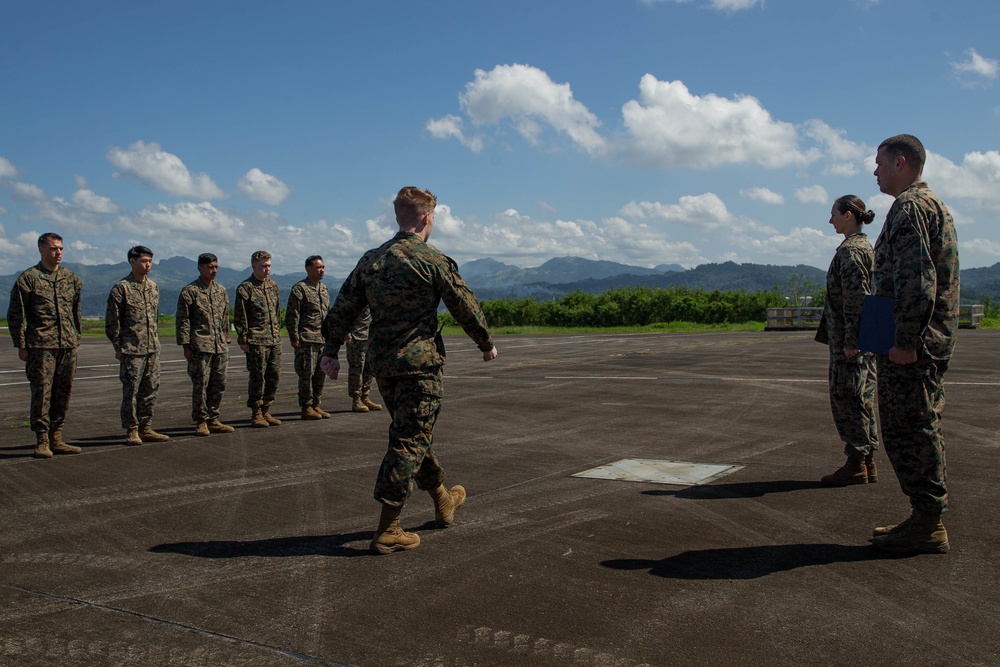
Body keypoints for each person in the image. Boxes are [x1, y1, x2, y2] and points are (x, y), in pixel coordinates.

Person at [321, 186, 498, 555]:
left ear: (398, 215)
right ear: (427, 217)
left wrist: (330, 349)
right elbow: (464, 305)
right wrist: (485, 343)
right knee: (408, 440)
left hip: (384, 366)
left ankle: (443, 499)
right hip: (420, 367)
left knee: (413, 434)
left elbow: (342, 308)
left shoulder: (372, 260)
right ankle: (389, 528)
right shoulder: (431, 259)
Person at [870, 134, 959, 554]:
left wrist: (905, 340)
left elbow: (917, 281)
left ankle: (928, 522)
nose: (876, 172)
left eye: (880, 164)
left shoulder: (910, 207)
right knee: (915, 427)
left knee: (910, 430)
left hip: (913, 344)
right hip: (924, 339)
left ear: (901, 162)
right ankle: (924, 517)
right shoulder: (929, 204)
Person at [816, 196, 880, 486]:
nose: (831, 220)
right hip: (859, 340)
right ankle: (866, 463)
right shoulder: (864, 248)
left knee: (847, 399)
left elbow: (857, 299)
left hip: (850, 343)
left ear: (849, 215)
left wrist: (852, 340)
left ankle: (857, 462)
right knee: (861, 399)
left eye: (834, 214)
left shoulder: (852, 252)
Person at [7, 232, 83, 458]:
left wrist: (76, 339)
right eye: (53, 248)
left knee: (63, 391)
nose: (58, 252)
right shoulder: (28, 279)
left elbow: (76, 312)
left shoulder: (71, 278)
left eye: (60, 248)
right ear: (41, 249)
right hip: (40, 346)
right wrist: (21, 345)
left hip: (67, 345)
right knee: (42, 393)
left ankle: (56, 437)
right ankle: (41, 440)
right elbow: (16, 315)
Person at [105, 245, 170, 446]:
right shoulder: (121, 288)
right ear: (133, 262)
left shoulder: (153, 287)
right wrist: (119, 347)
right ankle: (132, 429)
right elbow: (112, 322)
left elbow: (155, 318)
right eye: (144, 261)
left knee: (151, 390)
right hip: (132, 350)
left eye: (150, 261)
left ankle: (146, 426)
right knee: (131, 391)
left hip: (152, 349)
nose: (148, 264)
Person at [176, 253, 235, 437]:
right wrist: (185, 345)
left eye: (216, 267)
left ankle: (213, 418)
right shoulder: (190, 291)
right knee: (201, 384)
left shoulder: (221, 291)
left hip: (220, 346)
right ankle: (201, 421)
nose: (214, 270)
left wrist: (226, 337)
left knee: (219, 383)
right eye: (210, 267)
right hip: (200, 346)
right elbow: (183, 320)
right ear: (200, 268)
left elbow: (225, 316)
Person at [234, 250, 282, 428]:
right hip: (256, 340)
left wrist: (276, 331)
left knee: (274, 376)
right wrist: (244, 339)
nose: (267, 269)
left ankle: (266, 410)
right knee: (257, 378)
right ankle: (256, 412)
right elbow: (240, 317)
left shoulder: (273, 286)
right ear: (254, 266)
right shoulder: (245, 288)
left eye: (269, 265)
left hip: (273, 339)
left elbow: (276, 312)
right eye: (263, 266)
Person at [285, 255, 332, 420]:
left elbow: (327, 314)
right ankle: (306, 406)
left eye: (323, 267)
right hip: (306, 339)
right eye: (318, 267)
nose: (322, 270)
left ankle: (315, 405)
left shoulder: (324, 289)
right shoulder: (300, 289)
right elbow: (292, 315)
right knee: (306, 374)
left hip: (321, 339)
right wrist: (294, 337)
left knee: (320, 374)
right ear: (308, 269)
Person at [346, 306, 383, 413]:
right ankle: (356, 399)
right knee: (356, 369)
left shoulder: (374, 294)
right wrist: (347, 334)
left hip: (370, 337)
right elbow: (345, 314)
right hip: (356, 337)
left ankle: (365, 397)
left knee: (369, 368)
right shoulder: (356, 294)